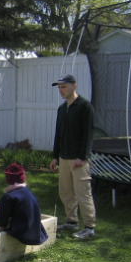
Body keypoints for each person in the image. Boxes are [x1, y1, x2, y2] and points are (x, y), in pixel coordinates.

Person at [49, 74, 97, 239]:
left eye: (64, 87)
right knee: (66, 192)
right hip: (64, 158)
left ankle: (89, 227)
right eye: (59, 87)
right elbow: (58, 134)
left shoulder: (85, 107)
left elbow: (88, 135)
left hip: (79, 160)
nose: (61, 90)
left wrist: (82, 157)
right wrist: (55, 156)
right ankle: (71, 222)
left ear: (74, 87)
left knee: (83, 193)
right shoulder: (62, 109)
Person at [0, 163, 48, 246]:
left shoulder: (9, 196)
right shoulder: (29, 193)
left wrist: (1, 226)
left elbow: (1, 220)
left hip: (21, 231)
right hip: (35, 230)